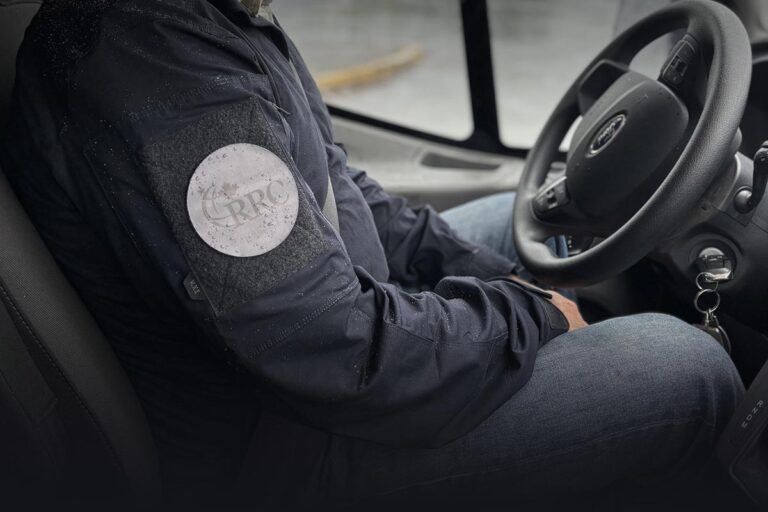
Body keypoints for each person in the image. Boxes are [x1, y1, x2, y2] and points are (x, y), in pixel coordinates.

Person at [0, 0, 744, 507]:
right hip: (283, 450)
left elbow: (341, 190)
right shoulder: (157, 62)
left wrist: (504, 282)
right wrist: (529, 316)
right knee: (690, 367)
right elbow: (327, 345)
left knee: (532, 231)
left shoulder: (219, 19)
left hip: (317, 362)